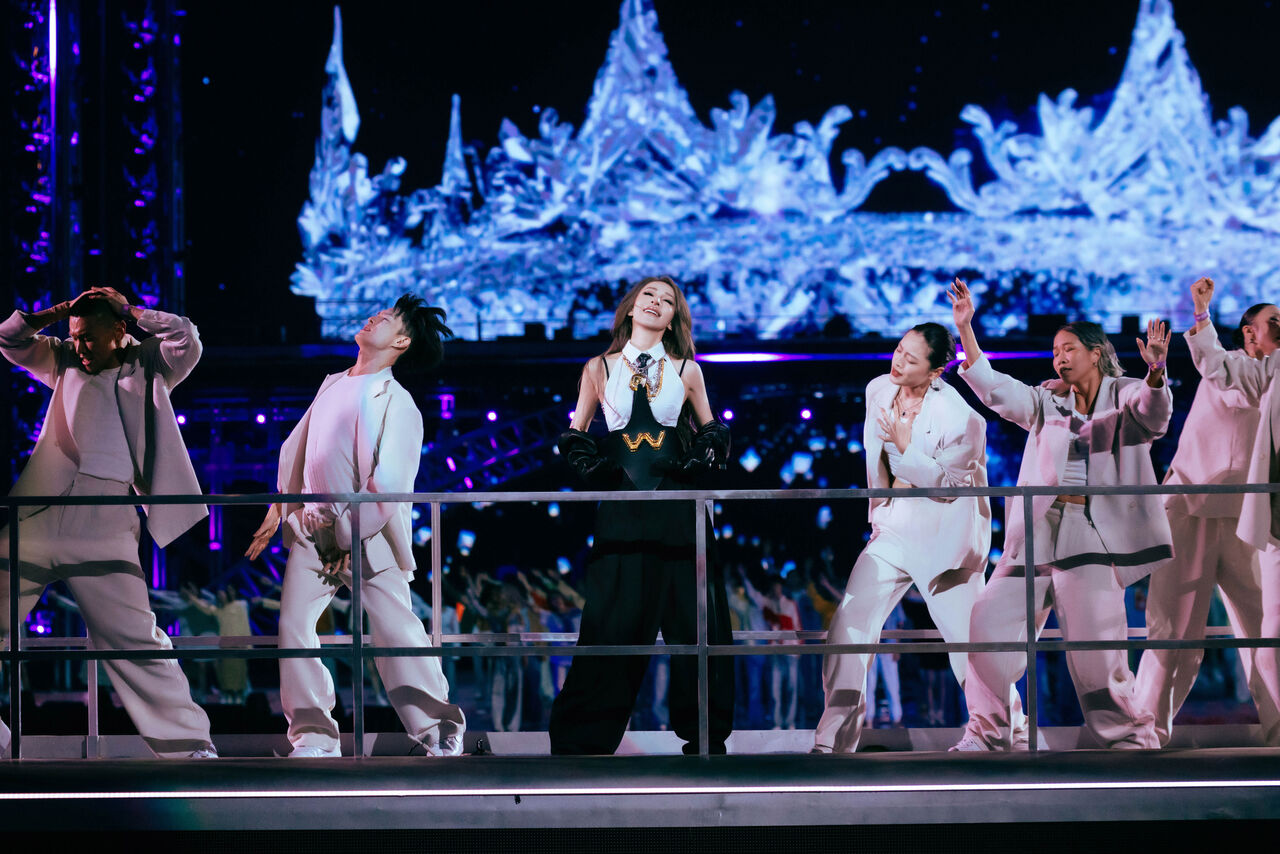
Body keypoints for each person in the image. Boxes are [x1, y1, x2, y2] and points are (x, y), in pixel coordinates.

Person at [948, 278, 1170, 751]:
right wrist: (966, 330)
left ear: (1095, 353)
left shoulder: (1126, 392)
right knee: (986, 626)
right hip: (1036, 533)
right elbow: (996, 389)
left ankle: (1129, 737)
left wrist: (1156, 372)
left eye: (1069, 349)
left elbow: (1153, 416)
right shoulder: (1046, 399)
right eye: (1054, 352)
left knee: (1096, 652)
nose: (1059, 358)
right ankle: (989, 732)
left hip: (1092, 536)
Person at [245, 294, 465, 758]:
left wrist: (348, 533)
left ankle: (438, 732)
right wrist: (280, 510)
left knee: (396, 633)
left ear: (401, 341)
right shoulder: (332, 384)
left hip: (369, 534)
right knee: (294, 626)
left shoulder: (398, 403)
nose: (372, 318)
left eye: (384, 319)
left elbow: (388, 483)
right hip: (313, 527)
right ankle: (314, 736)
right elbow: (299, 452)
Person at [0, 287, 215, 758]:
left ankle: (188, 745)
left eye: (89, 337)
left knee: (133, 639)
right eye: (75, 336)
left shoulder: (150, 361)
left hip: (106, 519)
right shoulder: (63, 358)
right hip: (41, 511)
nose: (80, 347)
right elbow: (9, 340)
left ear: (119, 330)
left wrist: (133, 311)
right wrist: (60, 312)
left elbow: (187, 338)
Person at [812, 322, 1020, 753]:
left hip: (943, 533)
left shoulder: (962, 418)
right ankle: (833, 741)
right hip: (892, 526)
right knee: (849, 627)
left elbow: (951, 487)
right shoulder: (878, 390)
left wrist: (907, 451)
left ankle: (1007, 731)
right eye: (898, 350)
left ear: (935, 371)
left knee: (967, 647)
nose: (898, 361)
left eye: (910, 358)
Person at [548, 275, 734, 755]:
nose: (656, 302)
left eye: (667, 300)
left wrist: (701, 455)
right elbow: (576, 431)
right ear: (631, 307)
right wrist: (589, 463)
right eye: (649, 295)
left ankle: (705, 735)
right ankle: (584, 740)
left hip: (679, 508)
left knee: (695, 619)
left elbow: (713, 429)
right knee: (612, 617)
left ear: (673, 319)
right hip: (624, 507)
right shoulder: (598, 367)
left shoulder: (688, 370)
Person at [1182, 276, 1280, 745]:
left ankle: (1278, 730)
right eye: (1273, 321)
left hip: (1255, 519)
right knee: (1176, 631)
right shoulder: (1242, 366)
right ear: (1249, 332)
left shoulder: (1273, 370)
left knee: (1267, 630)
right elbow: (1216, 366)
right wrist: (1202, 314)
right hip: (1200, 506)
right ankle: (1144, 732)